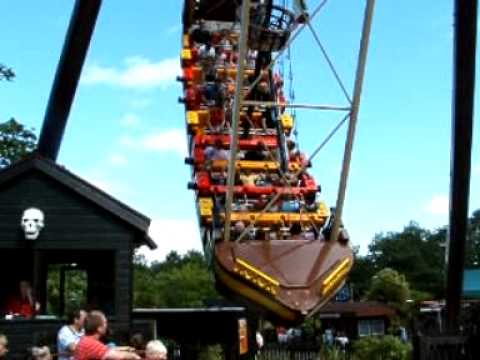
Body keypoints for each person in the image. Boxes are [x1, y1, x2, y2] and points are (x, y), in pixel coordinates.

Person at [74, 311, 140, 360]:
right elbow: (118, 356)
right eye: (105, 322)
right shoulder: (91, 344)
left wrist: (125, 348)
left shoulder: (86, 340)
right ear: (99, 329)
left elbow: (106, 349)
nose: (107, 325)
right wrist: (134, 356)